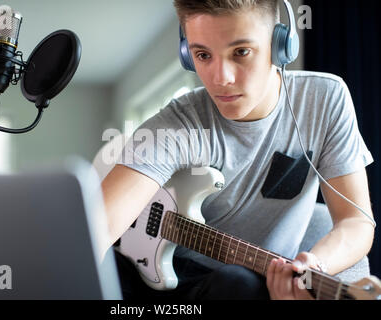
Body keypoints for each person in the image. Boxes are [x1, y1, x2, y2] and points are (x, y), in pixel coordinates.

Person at [101, 0, 375, 300]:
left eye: (240, 52)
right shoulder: (179, 123)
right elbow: (97, 230)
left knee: (238, 284)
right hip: (164, 281)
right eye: (203, 55)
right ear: (186, 54)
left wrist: (315, 265)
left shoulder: (324, 100)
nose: (221, 78)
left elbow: (355, 220)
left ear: (280, 45)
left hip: (244, 285)